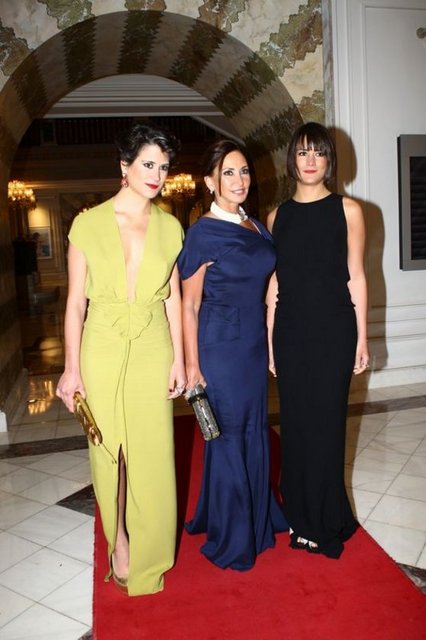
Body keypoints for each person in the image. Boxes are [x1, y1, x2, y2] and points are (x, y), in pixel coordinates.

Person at [56, 123, 186, 596]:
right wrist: (71, 367)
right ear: (124, 165)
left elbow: (173, 298)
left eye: (164, 167)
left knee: (153, 450)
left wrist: (180, 359)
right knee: (109, 449)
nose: (157, 175)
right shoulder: (87, 224)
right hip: (102, 344)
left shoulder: (171, 227)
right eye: (148, 164)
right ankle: (121, 542)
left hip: (153, 343)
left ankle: (151, 553)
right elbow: (75, 302)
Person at [177, 139, 288, 571]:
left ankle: (255, 515)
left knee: (253, 429)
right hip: (220, 346)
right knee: (226, 434)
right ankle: (234, 533)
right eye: (228, 172)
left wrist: (273, 343)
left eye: (243, 171)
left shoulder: (255, 225)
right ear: (209, 181)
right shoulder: (203, 233)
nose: (239, 180)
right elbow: (189, 304)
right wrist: (191, 365)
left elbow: (271, 286)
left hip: (253, 343)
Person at [267, 121, 369, 559]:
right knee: (295, 427)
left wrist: (362, 337)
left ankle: (326, 520)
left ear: (330, 160)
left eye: (319, 152)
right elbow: (274, 284)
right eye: (303, 152)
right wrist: (270, 341)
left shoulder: (348, 210)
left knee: (326, 427)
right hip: (290, 333)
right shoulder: (277, 217)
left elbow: (357, 276)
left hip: (334, 332)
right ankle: (300, 515)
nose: (311, 161)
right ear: (292, 159)